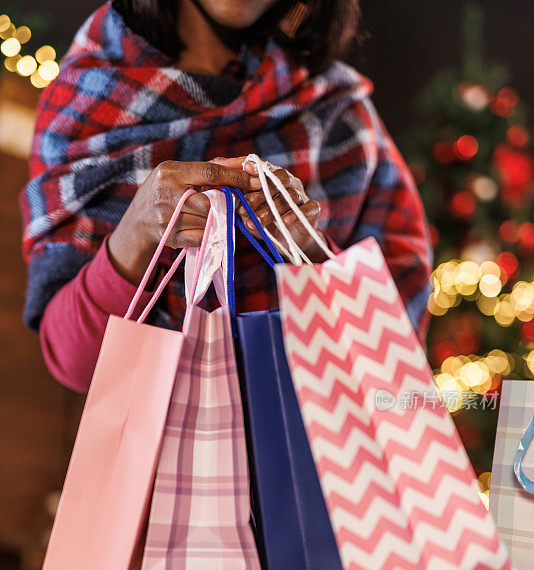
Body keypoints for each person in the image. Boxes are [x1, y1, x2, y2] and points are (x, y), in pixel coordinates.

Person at [20, 0, 432, 394]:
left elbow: (397, 342)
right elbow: (74, 364)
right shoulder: (85, 102)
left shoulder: (340, 115)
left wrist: (308, 248)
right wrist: (138, 231)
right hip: (163, 458)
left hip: (320, 453)